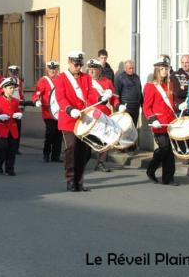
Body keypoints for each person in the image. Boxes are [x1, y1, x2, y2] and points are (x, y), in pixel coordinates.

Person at [55, 51, 103, 192]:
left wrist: (100, 98)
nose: (78, 67)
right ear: (70, 62)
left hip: (84, 119)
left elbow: (90, 94)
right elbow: (60, 98)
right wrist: (70, 109)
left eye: (80, 65)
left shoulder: (86, 78)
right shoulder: (61, 78)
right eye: (76, 64)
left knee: (84, 151)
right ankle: (70, 180)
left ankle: (79, 181)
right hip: (69, 119)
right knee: (71, 149)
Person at [143, 56, 178, 186]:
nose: (165, 71)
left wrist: (179, 107)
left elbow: (170, 104)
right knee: (165, 148)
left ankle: (168, 178)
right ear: (157, 70)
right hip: (158, 123)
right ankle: (151, 169)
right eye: (162, 69)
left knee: (170, 150)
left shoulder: (169, 85)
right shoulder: (150, 86)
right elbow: (147, 107)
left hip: (170, 122)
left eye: (166, 68)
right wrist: (152, 119)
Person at [86, 59, 125, 172]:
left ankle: (100, 163)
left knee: (106, 139)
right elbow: (87, 97)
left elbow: (114, 97)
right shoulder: (86, 82)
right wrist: (99, 98)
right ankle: (82, 161)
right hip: (91, 115)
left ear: (100, 70)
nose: (91, 71)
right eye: (90, 69)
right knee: (89, 140)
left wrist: (118, 106)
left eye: (94, 69)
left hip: (105, 115)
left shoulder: (107, 82)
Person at [31, 61, 62, 162]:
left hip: (60, 112)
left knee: (58, 135)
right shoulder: (43, 80)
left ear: (57, 69)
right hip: (48, 113)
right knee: (50, 133)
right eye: (51, 68)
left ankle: (56, 156)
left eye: (55, 68)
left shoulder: (61, 79)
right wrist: (36, 101)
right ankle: (46, 154)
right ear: (47, 69)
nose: (53, 70)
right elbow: (37, 94)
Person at [0, 78, 22, 176]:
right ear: (4, 89)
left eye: (13, 88)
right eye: (10, 88)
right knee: (3, 147)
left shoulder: (16, 101)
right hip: (2, 128)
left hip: (12, 128)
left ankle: (10, 169)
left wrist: (19, 114)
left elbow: (18, 110)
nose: (12, 90)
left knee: (12, 149)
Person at [114, 60, 143, 128]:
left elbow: (139, 92)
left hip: (135, 108)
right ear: (125, 68)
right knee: (126, 128)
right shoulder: (120, 78)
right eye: (130, 68)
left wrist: (143, 105)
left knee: (134, 127)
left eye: (133, 68)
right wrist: (119, 106)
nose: (131, 70)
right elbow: (116, 94)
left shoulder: (137, 77)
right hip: (126, 108)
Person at [7, 65, 24, 153]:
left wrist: (22, 105)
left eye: (16, 73)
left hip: (18, 108)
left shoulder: (19, 82)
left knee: (17, 129)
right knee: (9, 129)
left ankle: (16, 148)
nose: (14, 75)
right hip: (8, 108)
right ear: (9, 73)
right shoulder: (5, 82)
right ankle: (9, 147)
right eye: (12, 73)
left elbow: (21, 94)